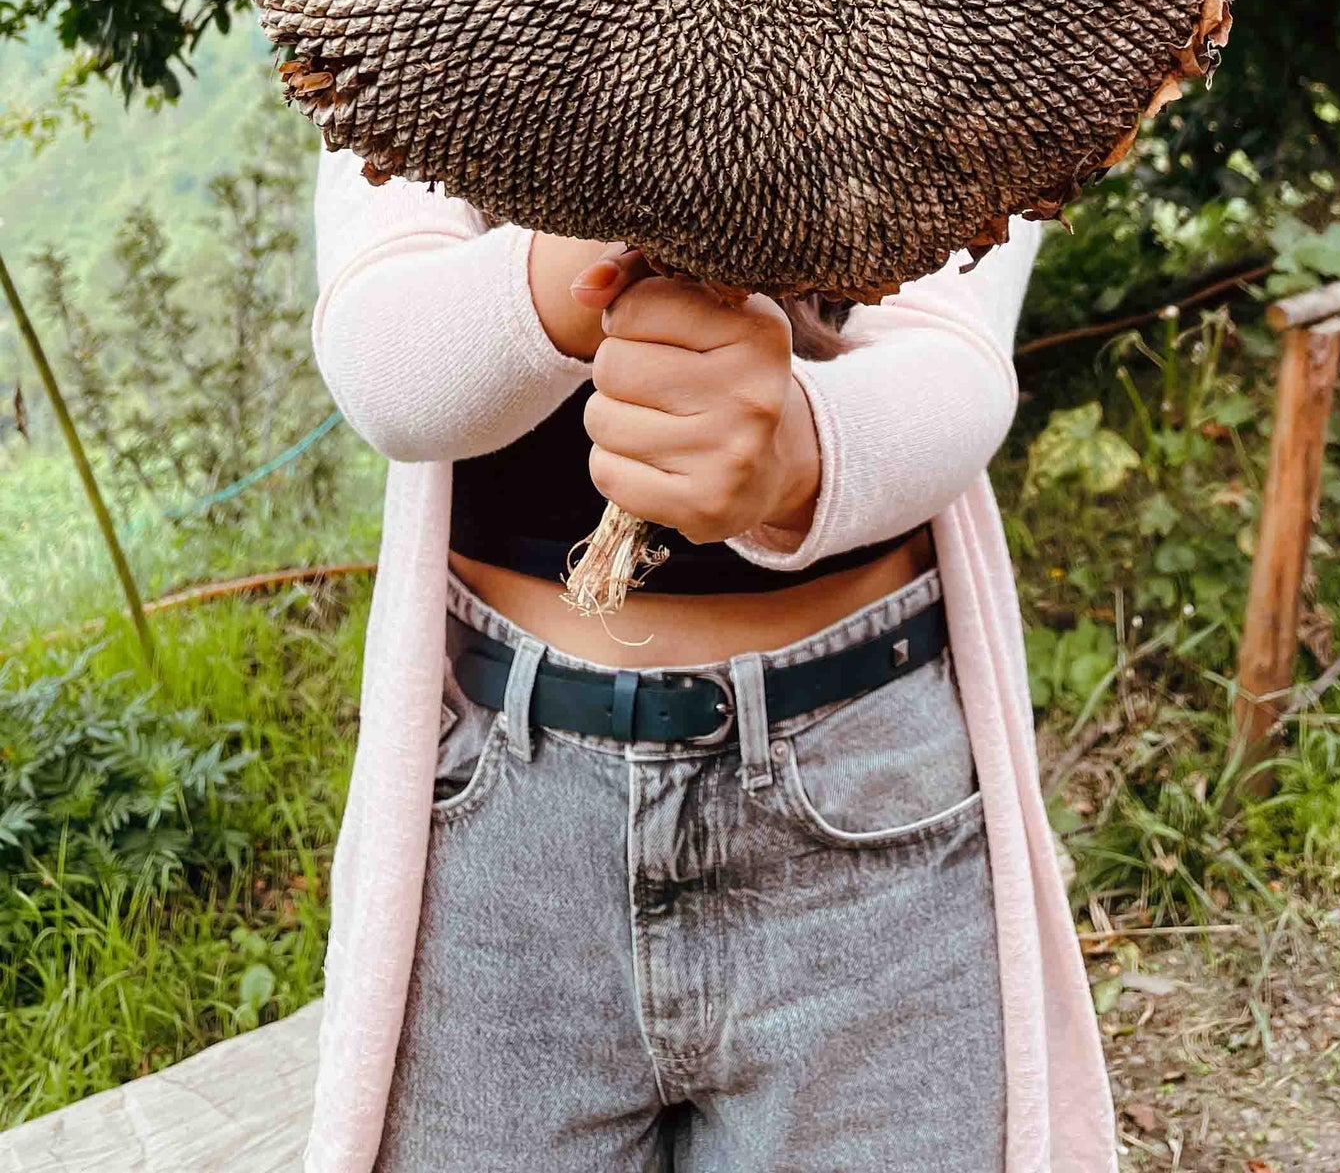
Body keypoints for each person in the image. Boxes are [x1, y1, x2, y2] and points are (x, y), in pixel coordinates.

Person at [302, 146, 1117, 1173]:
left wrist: (792, 459)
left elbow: (951, 354)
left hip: (863, 810)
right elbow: (388, 359)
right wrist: (628, 214)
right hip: (503, 826)